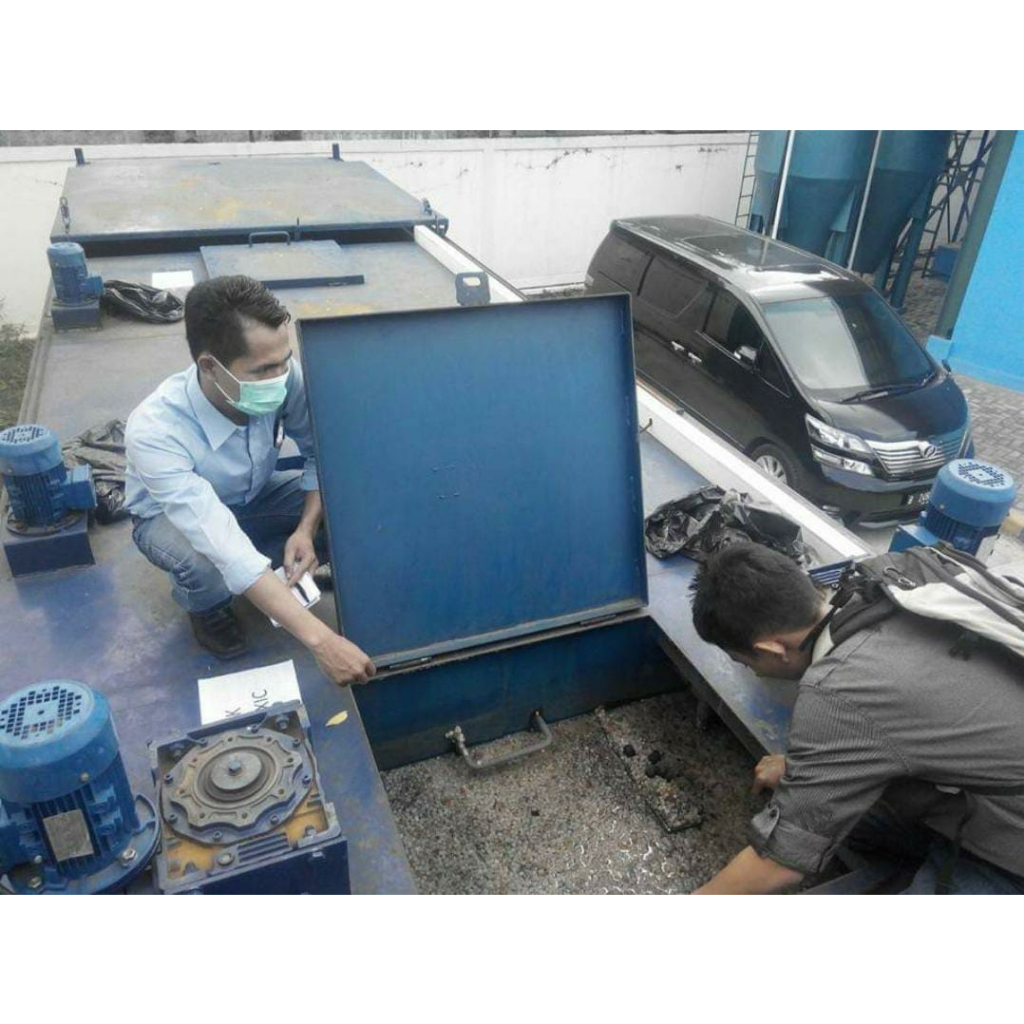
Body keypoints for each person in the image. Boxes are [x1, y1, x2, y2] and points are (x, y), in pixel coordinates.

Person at [687, 541, 1024, 895]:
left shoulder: (839, 689)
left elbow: (778, 865)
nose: (754, 673)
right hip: (982, 785)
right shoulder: (886, 587)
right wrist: (804, 770)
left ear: (773, 649)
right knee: (838, 818)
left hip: (1009, 837)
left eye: (745, 662)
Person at [125, 274, 374, 686]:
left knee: (348, 501)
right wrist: (322, 641)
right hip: (167, 519)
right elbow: (224, 544)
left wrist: (305, 529)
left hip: (253, 495)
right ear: (210, 366)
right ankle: (207, 608)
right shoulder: (156, 431)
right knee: (206, 567)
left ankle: (276, 574)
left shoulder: (283, 376)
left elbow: (319, 454)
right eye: (263, 370)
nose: (280, 376)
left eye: (284, 361)